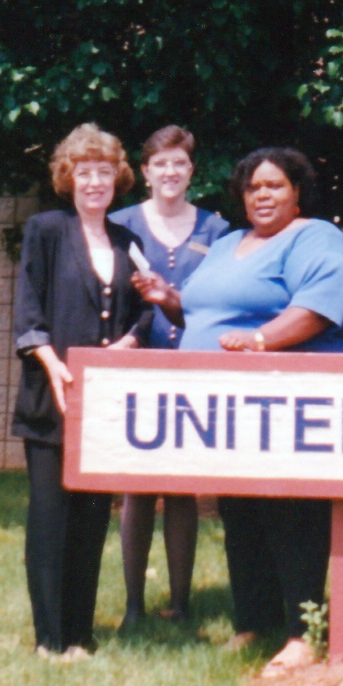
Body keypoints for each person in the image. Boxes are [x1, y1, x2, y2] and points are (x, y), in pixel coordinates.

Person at [133, 147, 343, 675]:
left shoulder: (314, 236)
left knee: (291, 514)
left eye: (275, 186)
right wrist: (167, 296)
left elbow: (322, 302)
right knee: (241, 513)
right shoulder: (229, 243)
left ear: (297, 191)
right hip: (230, 407)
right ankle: (252, 622)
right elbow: (203, 309)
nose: (263, 195)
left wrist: (261, 339)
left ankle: (303, 634)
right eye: (254, 187)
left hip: (288, 400)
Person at [11, 123, 153, 660]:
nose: (94, 182)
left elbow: (145, 314)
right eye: (84, 173)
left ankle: (81, 634)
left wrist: (129, 343)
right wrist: (51, 362)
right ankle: (48, 638)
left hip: (104, 404)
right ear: (68, 179)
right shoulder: (46, 229)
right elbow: (28, 307)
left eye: (104, 173)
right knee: (50, 517)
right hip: (54, 396)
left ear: (118, 179)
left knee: (92, 519)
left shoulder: (128, 241)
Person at [108, 125, 230, 627]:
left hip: (193, 365)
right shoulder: (120, 223)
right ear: (145, 172)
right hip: (138, 362)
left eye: (179, 163)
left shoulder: (216, 230)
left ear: (191, 171)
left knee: (182, 484)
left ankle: (180, 604)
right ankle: (134, 605)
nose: (170, 173)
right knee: (138, 484)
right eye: (160, 164)